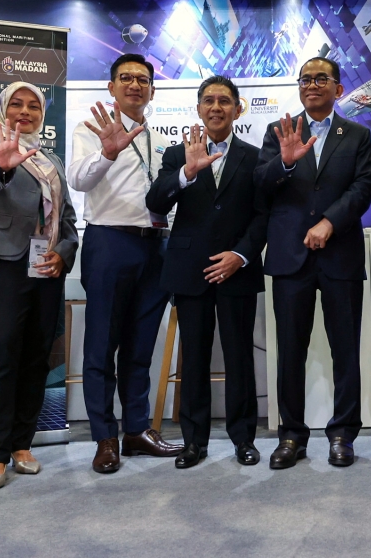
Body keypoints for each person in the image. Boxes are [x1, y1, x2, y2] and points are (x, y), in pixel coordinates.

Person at [254, 57, 371, 469]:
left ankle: (343, 434)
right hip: (290, 257)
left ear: (338, 89)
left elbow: (363, 188)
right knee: (290, 351)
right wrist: (286, 161)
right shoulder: (280, 133)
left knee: (346, 351)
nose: (311, 85)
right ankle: (292, 435)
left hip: (339, 253)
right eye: (305, 79)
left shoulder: (357, 134)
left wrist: (329, 222)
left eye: (320, 78)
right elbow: (262, 186)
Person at [67, 54, 182, 475]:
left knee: (140, 346)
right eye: (126, 78)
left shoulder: (157, 139)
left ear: (152, 89)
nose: (135, 84)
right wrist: (108, 152)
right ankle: (105, 438)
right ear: (112, 87)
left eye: (143, 79)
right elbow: (78, 180)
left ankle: (136, 430)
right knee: (101, 345)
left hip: (156, 247)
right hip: (110, 242)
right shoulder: (91, 129)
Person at [146, 76, 267, 468]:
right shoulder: (176, 154)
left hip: (238, 270)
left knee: (239, 358)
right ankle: (193, 441)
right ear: (198, 108)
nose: (216, 107)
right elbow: (156, 202)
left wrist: (241, 255)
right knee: (193, 358)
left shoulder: (255, 157)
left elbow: (264, 216)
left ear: (237, 109)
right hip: (189, 268)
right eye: (209, 101)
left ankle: (243, 439)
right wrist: (187, 173)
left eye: (225, 101)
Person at [0, 82, 79, 492]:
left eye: (34, 106)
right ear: (3, 108)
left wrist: (64, 253)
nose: (26, 111)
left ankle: (21, 445)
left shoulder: (52, 159)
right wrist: (5, 166)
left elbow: (67, 218)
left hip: (46, 268)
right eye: (17, 103)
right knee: (1, 357)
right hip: (3, 265)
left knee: (35, 357)